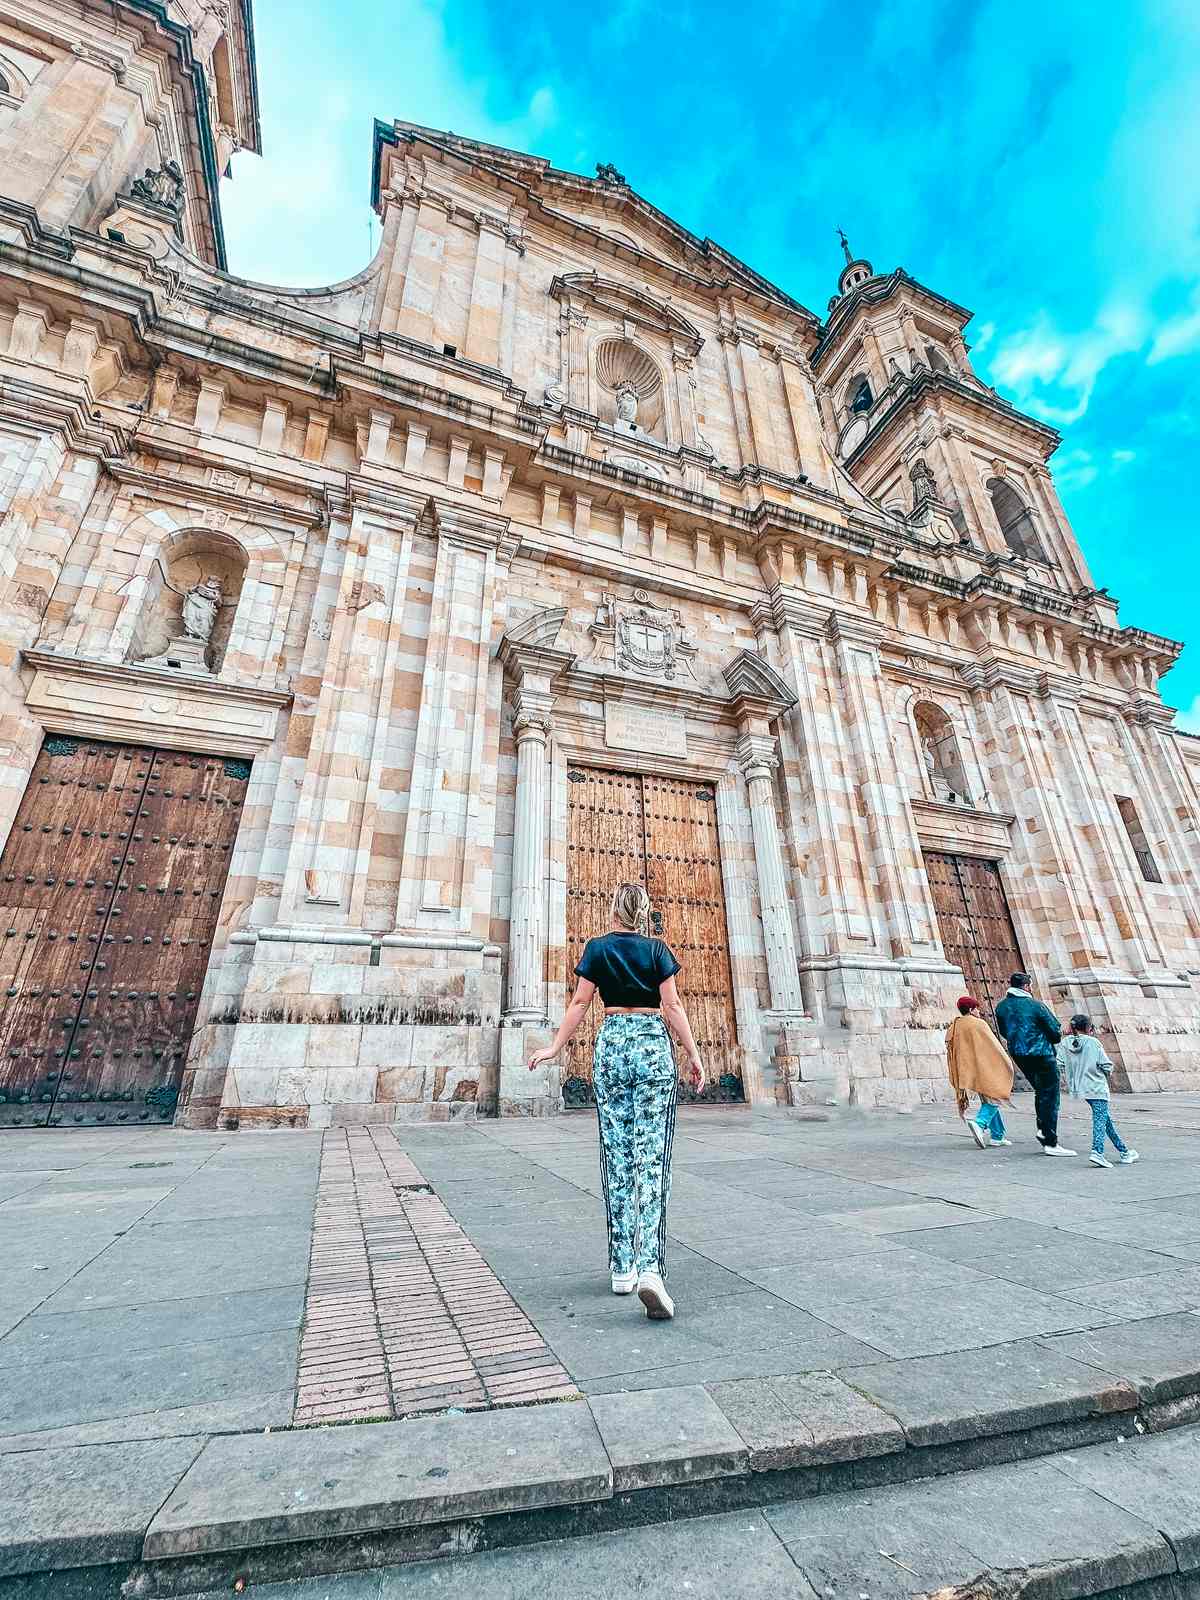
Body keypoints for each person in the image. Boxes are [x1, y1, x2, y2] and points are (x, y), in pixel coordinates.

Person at [528, 882, 704, 1321]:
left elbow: (580, 1002)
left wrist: (554, 1048)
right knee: (652, 1157)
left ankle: (621, 1268)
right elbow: (673, 1007)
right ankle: (650, 1268)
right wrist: (694, 1054)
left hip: (611, 1047)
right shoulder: (657, 951)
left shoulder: (597, 949)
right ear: (644, 912)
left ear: (613, 911)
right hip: (650, 1048)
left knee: (616, 1155)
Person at [995, 972, 1075, 1156]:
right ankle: (1050, 1141)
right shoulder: (1036, 1005)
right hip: (1041, 1054)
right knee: (1050, 1095)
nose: (1031, 988)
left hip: (1019, 1054)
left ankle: (1043, 1129)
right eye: (1029, 985)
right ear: (1025, 986)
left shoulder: (1001, 1007)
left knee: (1041, 1092)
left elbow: (1005, 1032)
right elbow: (1055, 1033)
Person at [1059, 1014, 1139, 1170]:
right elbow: (1106, 1065)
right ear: (1089, 1028)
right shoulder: (1093, 1042)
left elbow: (1060, 1064)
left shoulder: (1065, 1043)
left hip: (1079, 1087)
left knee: (1104, 1120)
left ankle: (1124, 1151)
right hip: (1096, 1087)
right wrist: (1105, 1072)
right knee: (1100, 1120)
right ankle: (1098, 1151)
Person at [945, 996, 1014, 1149]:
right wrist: (1005, 1063)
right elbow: (993, 1046)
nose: (979, 1011)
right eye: (976, 1008)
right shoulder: (978, 1024)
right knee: (996, 1095)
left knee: (989, 1098)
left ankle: (997, 1135)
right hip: (985, 1067)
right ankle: (980, 1123)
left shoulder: (954, 1026)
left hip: (968, 1070)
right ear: (970, 1009)